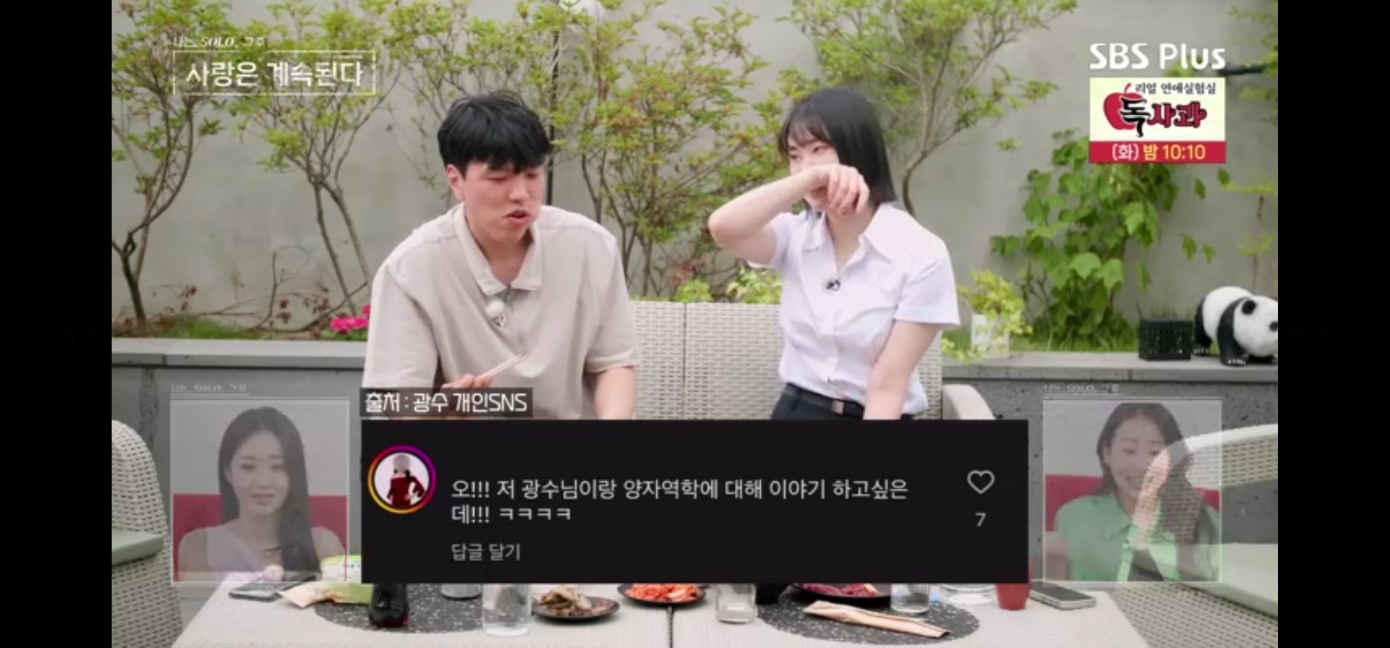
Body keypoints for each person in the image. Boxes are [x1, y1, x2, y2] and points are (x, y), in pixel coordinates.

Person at [707, 87, 960, 603]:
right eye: (794, 154)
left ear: (857, 149)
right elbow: (723, 227)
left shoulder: (920, 253)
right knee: (751, 588)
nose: (805, 165)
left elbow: (887, 388)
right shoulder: (794, 236)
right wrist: (809, 179)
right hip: (797, 417)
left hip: (878, 427)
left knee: (855, 590)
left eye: (819, 149)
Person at [362, 91, 638, 418]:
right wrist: (441, 413)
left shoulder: (590, 246)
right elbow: (396, 402)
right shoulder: (410, 269)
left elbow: (614, 363)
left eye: (532, 175)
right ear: (456, 180)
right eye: (498, 178)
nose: (520, 193)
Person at [1048, 402, 1221, 582]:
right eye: (1129, 451)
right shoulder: (1073, 518)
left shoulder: (1206, 521)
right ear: (1107, 453)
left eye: (1155, 453)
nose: (1141, 466)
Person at [177, 406, 345, 583]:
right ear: (228, 472)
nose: (263, 482)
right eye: (248, 467)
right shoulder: (199, 546)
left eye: (278, 466)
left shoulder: (323, 546)